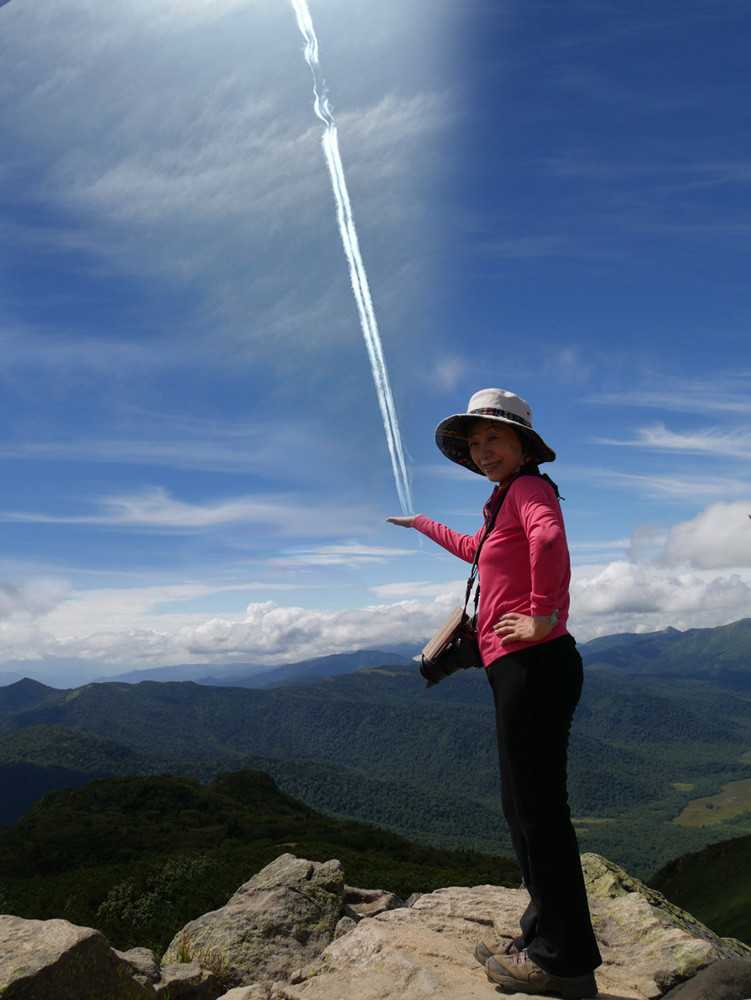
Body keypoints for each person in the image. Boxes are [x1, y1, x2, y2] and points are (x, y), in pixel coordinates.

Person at [387, 387, 602, 999]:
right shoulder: (503, 498)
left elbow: (549, 541)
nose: (483, 451)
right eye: (475, 443)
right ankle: (541, 935)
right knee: (521, 809)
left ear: (522, 444)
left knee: (540, 814)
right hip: (518, 669)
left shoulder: (530, 490)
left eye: (494, 438)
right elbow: (478, 552)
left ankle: (565, 964)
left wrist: (543, 613)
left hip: (537, 664)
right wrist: (423, 524)